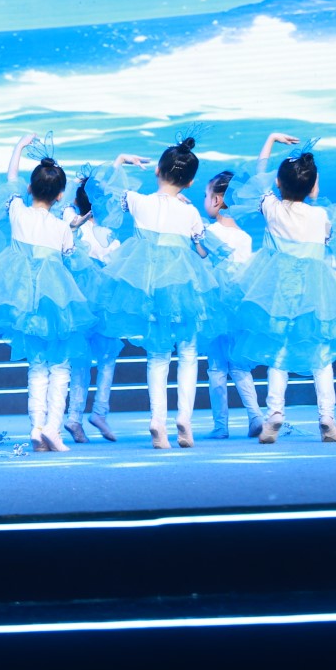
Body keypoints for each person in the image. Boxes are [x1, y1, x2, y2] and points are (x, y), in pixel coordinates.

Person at [228, 135, 336, 444]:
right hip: (315, 291)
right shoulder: (322, 216)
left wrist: (269, 140)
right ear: (313, 185)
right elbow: (327, 239)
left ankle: (275, 413)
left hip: (279, 289)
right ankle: (327, 417)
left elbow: (258, 175)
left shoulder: (272, 208)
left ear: (278, 183)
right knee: (322, 353)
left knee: (278, 351)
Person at [93, 135, 217, 449]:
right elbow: (203, 251)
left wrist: (120, 161)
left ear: (157, 171)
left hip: (148, 288)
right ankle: (184, 419)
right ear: (190, 182)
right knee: (188, 352)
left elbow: (104, 190)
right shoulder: (190, 212)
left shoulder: (139, 201)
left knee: (158, 355)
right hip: (180, 287)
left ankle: (157, 421)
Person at [0, 134, 95, 453]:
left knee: (38, 366)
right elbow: (72, 259)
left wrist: (18, 147)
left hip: (24, 304)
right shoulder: (61, 228)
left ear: (29, 188)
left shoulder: (17, 212)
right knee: (60, 366)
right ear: (60, 196)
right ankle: (53, 428)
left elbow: (10, 179)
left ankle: (37, 428)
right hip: (55, 304)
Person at [61, 169, 125, 443]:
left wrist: (78, 186)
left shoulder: (74, 226)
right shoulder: (108, 235)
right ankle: (97, 412)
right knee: (106, 358)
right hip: (101, 304)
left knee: (81, 361)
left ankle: (75, 417)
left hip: (81, 302)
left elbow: (64, 206)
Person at [200, 170, 265, 439]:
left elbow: (201, 263)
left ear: (217, 199)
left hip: (215, 305)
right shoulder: (245, 237)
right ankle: (255, 415)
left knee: (216, 367)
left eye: (206, 196)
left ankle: (221, 426)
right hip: (239, 305)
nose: (205, 201)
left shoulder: (208, 232)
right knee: (239, 365)